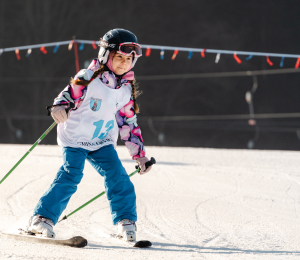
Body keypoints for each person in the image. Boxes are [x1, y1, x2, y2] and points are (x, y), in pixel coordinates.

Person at [26, 28, 152, 242]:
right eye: (119, 57)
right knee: (71, 175)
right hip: (75, 140)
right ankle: (42, 218)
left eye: (129, 59)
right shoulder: (88, 77)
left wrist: (139, 155)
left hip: (102, 142)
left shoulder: (125, 88)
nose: (124, 63)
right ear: (105, 56)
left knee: (118, 177)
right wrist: (60, 107)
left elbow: (128, 123)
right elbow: (68, 94)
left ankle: (125, 221)